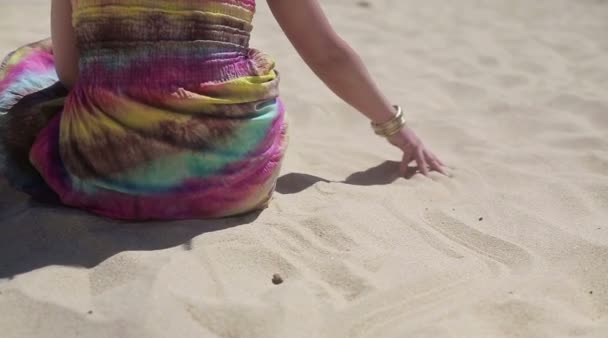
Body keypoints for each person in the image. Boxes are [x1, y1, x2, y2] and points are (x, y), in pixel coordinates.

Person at [0, 0, 444, 221]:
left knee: (29, 68)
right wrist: (395, 127)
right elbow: (327, 54)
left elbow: (72, 74)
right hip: (236, 173)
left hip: (106, 169)